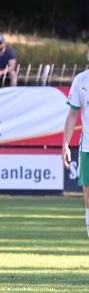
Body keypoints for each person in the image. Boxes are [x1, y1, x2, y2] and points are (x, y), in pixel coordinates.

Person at [62, 45, 89, 237]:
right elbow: (72, 115)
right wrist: (65, 144)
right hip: (87, 147)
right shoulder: (81, 80)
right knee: (88, 198)